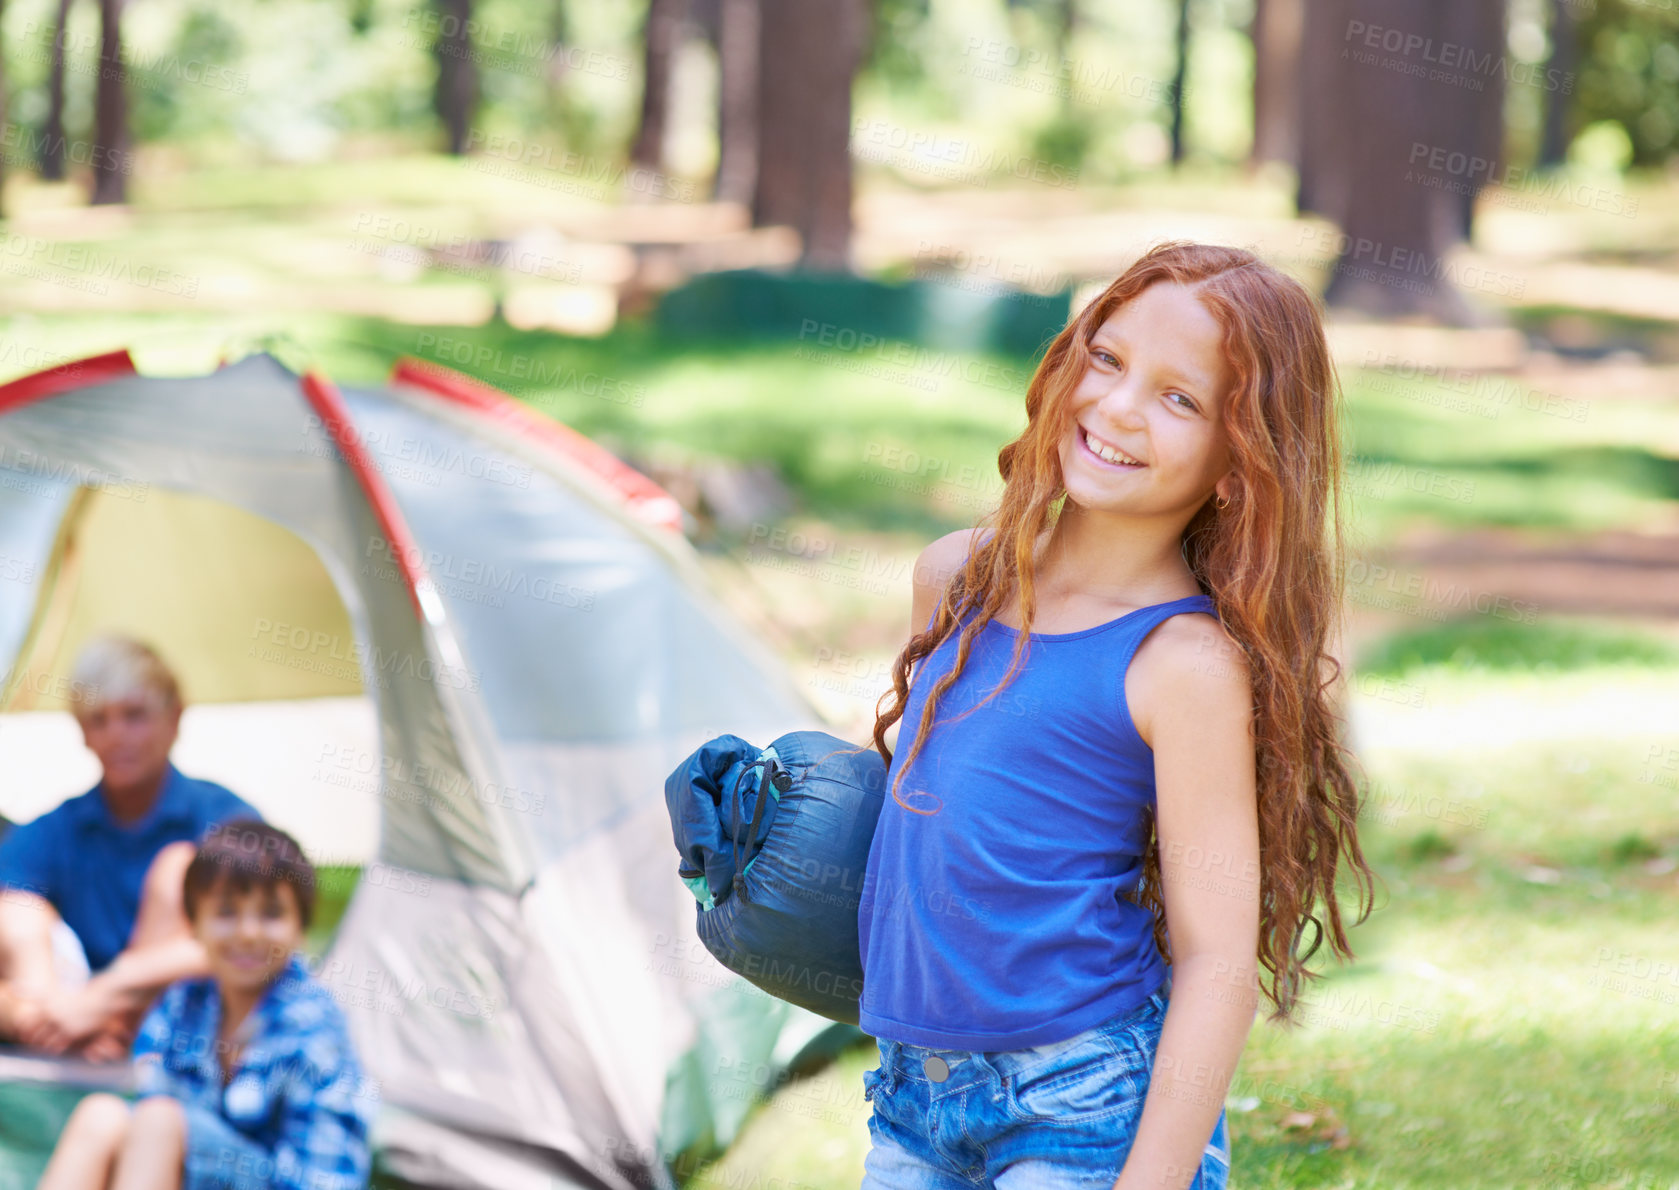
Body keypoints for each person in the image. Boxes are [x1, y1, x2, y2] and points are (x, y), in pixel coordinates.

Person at [855, 241, 1379, 1190]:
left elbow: (1217, 960)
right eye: (1108, 359)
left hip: (1083, 1103)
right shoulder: (954, 579)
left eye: (1180, 400)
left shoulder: (1182, 665)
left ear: (1237, 463)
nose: (1119, 408)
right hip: (911, 1097)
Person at [37, 818, 375, 1190]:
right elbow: (151, 1102)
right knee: (101, 1115)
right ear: (195, 925)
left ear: (301, 927)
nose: (248, 934)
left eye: (271, 913)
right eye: (227, 912)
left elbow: (327, 1177)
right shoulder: (186, 1001)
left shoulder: (313, 1027)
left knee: (159, 1119)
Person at [0, 636, 261, 1061]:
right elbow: (12, 920)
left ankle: (115, 1032)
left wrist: (110, 994)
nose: (117, 735)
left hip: (184, 1022)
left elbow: (257, 939)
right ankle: (52, 1031)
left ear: (174, 718)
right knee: (14, 907)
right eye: (99, 720)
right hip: (65, 1014)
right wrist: (29, 1011)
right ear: (82, 732)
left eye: (135, 716)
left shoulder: (223, 819)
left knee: (178, 869)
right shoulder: (55, 828)